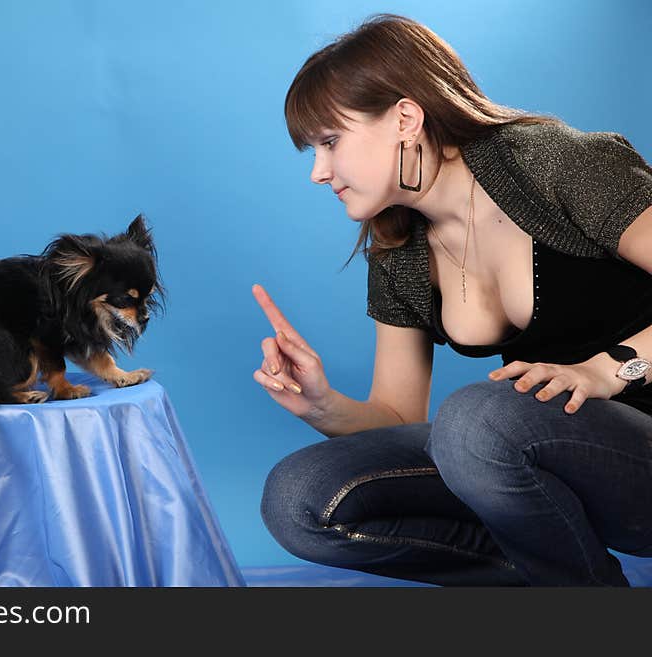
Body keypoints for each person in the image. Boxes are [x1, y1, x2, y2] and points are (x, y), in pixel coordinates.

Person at [254, 13, 652, 586]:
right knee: (299, 499)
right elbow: (397, 417)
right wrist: (322, 405)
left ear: (405, 119)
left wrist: (609, 370)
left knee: (473, 417)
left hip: (638, 453)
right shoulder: (397, 245)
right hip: (549, 459)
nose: (319, 172)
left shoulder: (549, 163)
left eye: (330, 142)